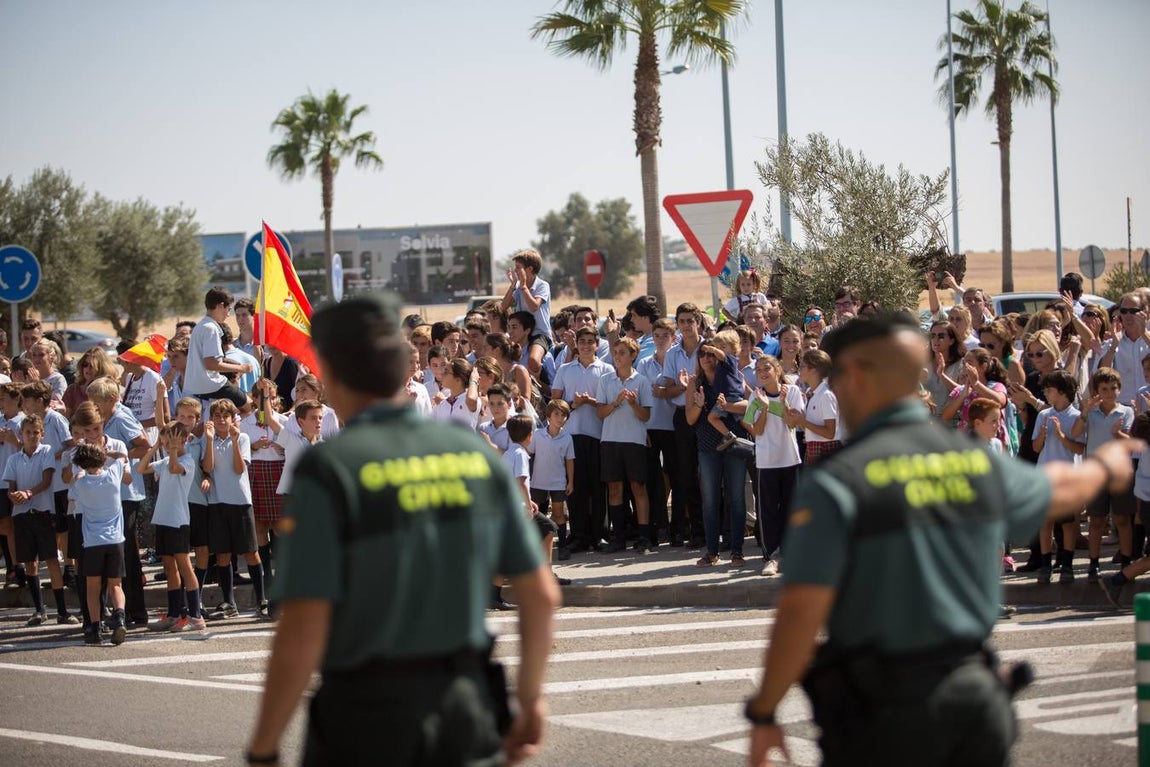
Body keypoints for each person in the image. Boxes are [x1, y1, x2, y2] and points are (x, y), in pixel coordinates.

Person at [743, 312, 1143, 767]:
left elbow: (799, 611)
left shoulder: (840, 482)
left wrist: (763, 711)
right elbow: (1058, 488)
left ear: (855, 375)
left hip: (884, 720)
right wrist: (1106, 466)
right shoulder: (970, 460)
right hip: (974, 706)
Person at [247, 293, 559, 767]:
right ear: (400, 366)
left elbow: (303, 625)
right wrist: (531, 699)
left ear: (329, 373)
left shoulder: (331, 469)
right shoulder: (470, 452)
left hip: (365, 720)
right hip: (466, 710)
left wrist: (264, 749)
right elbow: (539, 594)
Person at [138, 421, 204, 632]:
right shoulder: (165, 458)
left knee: (184, 566)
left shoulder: (187, 461)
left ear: (183, 440)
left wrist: (174, 449)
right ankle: (174, 613)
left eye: (172, 442)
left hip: (178, 520)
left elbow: (176, 469)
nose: (168, 446)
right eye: (166, 442)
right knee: (169, 568)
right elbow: (141, 468)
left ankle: (195, 616)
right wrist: (156, 446)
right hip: (163, 519)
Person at [744, 356, 804, 578]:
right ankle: (772, 557)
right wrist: (766, 409)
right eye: (758, 369)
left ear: (777, 369)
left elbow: (793, 424)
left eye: (766, 367)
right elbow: (757, 431)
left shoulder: (793, 391)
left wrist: (785, 403)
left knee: (793, 509)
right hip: (767, 461)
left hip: (790, 459)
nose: (762, 372)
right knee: (768, 511)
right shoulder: (755, 396)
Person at [595, 337, 654, 553]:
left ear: (633, 355)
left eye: (622, 352)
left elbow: (645, 415)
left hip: (634, 441)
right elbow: (600, 413)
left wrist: (632, 403)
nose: (617, 356)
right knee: (614, 488)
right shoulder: (606, 380)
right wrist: (616, 402)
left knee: (638, 487)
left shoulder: (642, 381)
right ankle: (618, 537)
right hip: (610, 440)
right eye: (615, 352)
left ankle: (644, 536)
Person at [70, 442, 130, 645]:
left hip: (92, 541)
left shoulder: (80, 483)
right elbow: (123, 455)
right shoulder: (114, 475)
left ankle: (95, 628)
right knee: (116, 585)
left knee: (92, 587)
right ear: (103, 459)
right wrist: (109, 451)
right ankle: (120, 617)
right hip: (115, 540)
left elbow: (72, 496)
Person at [184, 286, 253, 408]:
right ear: (220, 306)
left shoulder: (200, 326)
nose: (228, 315)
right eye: (228, 309)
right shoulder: (211, 328)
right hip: (211, 384)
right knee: (250, 406)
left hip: (195, 386)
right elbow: (211, 364)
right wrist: (241, 368)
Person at [500, 247, 552, 345]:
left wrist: (523, 287)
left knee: (533, 359)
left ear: (529, 269)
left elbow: (534, 307)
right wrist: (513, 285)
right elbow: (503, 307)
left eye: (518, 267)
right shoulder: (518, 286)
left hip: (539, 335)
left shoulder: (542, 285)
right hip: (522, 336)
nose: (515, 271)